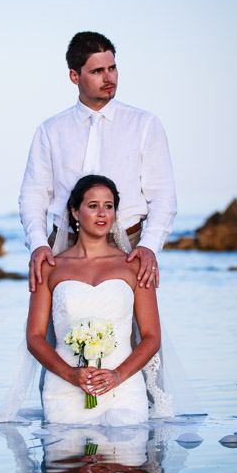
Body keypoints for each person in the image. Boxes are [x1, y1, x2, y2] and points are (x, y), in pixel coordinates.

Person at [19, 31, 177, 293]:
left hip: (128, 244)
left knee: (131, 331)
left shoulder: (145, 124)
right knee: (57, 329)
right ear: (74, 76)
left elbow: (163, 195)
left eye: (112, 68)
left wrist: (148, 245)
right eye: (97, 71)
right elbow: (33, 194)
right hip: (64, 244)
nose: (109, 78)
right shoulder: (50, 130)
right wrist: (38, 244)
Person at [26, 175, 162, 426]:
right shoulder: (50, 268)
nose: (102, 213)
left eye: (108, 206)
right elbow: (34, 338)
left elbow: (152, 337)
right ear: (75, 212)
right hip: (65, 389)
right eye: (93, 206)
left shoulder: (135, 266)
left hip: (122, 390)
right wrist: (71, 374)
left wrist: (117, 376)